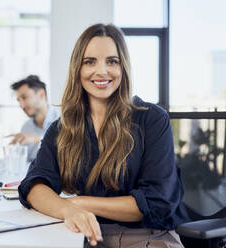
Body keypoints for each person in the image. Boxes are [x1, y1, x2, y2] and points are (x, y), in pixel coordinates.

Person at [18, 24, 189, 247]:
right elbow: (33, 185)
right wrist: (66, 209)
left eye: (112, 61)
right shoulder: (63, 128)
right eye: (90, 62)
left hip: (148, 237)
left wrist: (79, 203)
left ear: (123, 67)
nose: (102, 71)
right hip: (86, 236)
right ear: (77, 69)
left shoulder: (152, 120)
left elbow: (156, 202)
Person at [9, 75, 60, 162]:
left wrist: (38, 139)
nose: (21, 105)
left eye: (25, 97)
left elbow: (66, 152)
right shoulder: (26, 127)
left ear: (41, 94)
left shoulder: (64, 121)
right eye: (19, 100)